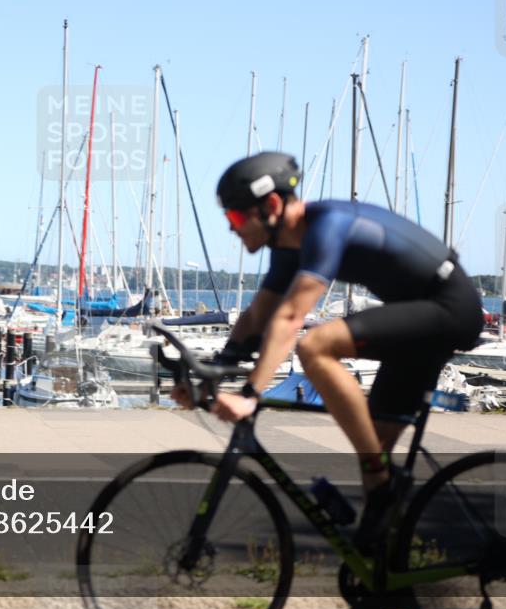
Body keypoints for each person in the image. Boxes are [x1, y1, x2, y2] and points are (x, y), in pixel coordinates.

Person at [173, 151, 484, 548]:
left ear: (270, 206)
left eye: (235, 218)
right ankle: (382, 570)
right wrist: (211, 373)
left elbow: (289, 318)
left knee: (316, 346)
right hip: (414, 319)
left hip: (449, 307)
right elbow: (257, 317)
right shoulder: (287, 247)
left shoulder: (326, 226)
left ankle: (383, 493)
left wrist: (251, 395)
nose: (232, 229)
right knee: (377, 459)